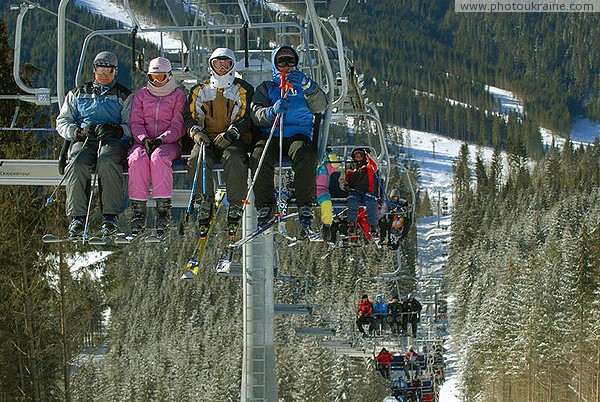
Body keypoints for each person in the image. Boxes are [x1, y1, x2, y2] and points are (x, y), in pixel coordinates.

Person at [250, 44, 328, 238]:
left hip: (297, 134)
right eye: (281, 62)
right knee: (259, 156)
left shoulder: (305, 86)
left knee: (304, 154)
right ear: (275, 65)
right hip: (273, 133)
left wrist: (308, 86)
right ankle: (265, 206)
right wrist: (271, 111)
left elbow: (320, 106)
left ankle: (305, 204)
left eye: (290, 61)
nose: (286, 66)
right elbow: (255, 114)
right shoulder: (268, 87)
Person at [56, 51, 132, 237]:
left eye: (109, 71)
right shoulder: (77, 93)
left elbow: (133, 126)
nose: (104, 75)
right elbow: (62, 121)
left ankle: (110, 216)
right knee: (77, 162)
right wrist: (77, 132)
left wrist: (118, 130)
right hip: (86, 139)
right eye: (100, 71)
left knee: (107, 160)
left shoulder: (124, 95)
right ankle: (78, 217)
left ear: (115, 72)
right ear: (94, 70)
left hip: (112, 140)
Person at [184, 48, 255, 237]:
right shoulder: (200, 90)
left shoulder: (243, 89)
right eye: (217, 64)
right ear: (211, 66)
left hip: (232, 139)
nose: (222, 68)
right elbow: (190, 116)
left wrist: (232, 133)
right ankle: (204, 201)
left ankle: (235, 203)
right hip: (207, 139)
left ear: (232, 66)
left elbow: (246, 117)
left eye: (226, 64)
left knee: (234, 158)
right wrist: (196, 133)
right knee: (196, 159)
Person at [128, 57, 187, 237]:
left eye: (160, 78)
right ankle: (138, 210)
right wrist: (144, 138)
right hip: (143, 143)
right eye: (153, 77)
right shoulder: (141, 95)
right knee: (137, 159)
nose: (156, 82)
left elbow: (178, 124)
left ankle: (163, 210)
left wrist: (162, 139)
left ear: (169, 77)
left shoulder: (178, 96)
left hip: (169, 144)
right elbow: (136, 122)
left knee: (158, 158)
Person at [340, 148, 379, 240]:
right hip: (354, 190)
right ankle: (352, 224)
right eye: (356, 155)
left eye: (360, 155)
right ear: (353, 157)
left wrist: (370, 155)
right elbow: (342, 180)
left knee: (372, 203)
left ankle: (373, 225)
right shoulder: (348, 167)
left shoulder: (369, 166)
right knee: (352, 201)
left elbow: (375, 165)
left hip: (367, 190)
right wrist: (344, 186)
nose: (358, 157)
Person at [316, 150, 343, 242]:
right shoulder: (307, 164)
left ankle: (326, 225)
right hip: (308, 189)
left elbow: (336, 165)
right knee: (305, 204)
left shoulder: (325, 166)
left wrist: (331, 154)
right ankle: (305, 224)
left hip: (321, 190)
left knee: (326, 201)